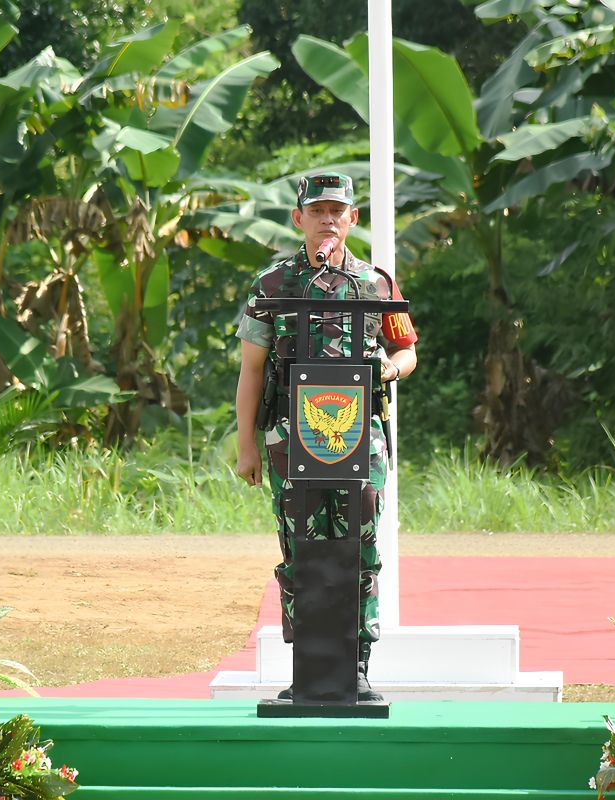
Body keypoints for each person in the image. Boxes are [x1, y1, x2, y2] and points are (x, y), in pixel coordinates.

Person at [234, 172, 418, 700]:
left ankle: (357, 667)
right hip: (290, 441)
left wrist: (391, 368)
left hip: (361, 439)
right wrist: (246, 445)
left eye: (338, 210)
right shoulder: (272, 286)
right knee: (299, 549)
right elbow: (251, 370)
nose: (328, 219)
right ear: (299, 218)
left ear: (352, 219)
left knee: (361, 549)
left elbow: (408, 350)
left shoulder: (376, 284)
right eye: (317, 211)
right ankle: (308, 668)